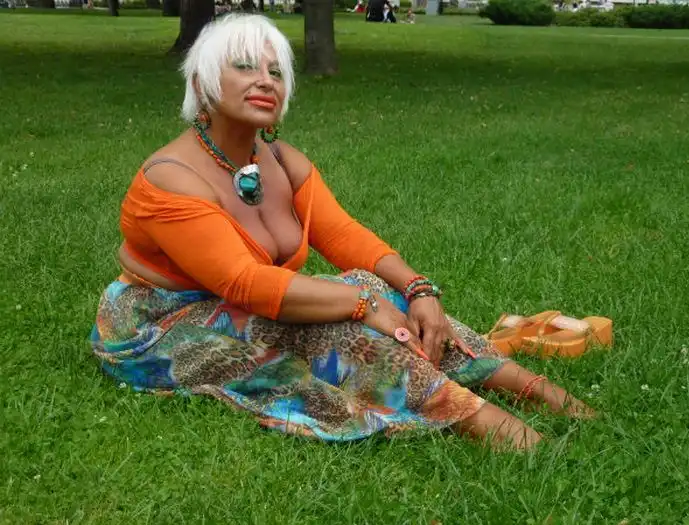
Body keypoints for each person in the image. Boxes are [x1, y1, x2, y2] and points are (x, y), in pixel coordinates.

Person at [90, 14, 592, 450]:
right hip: (162, 323)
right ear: (202, 84)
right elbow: (243, 283)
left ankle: (538, 392)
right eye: (244, 67)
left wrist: (419, 290)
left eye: (275, 72)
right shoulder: (171, 178)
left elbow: (344, 236)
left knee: (375, 284)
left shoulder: (282, 161)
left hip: (247, 300)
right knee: (341, 327)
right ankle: (486, 424)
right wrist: (363, 306)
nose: (265, 81)